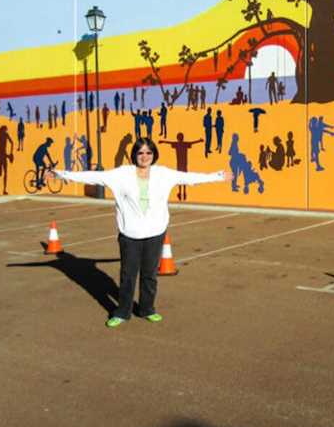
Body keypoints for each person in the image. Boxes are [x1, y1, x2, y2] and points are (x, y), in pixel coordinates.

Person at [49, 138, 231, 328]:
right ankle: (122, 312)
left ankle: (147, 309)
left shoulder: (164, 174)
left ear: (154, 155)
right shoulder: (121, 175)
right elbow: (92, 176)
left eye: (148, 153)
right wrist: (61, 174)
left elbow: (191, 178)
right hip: (130, 235)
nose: (145, 157)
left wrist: (217, 176)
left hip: (155, 233)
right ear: (134, 155)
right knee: (128, 275)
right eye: (141, 153)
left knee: (150, 274)